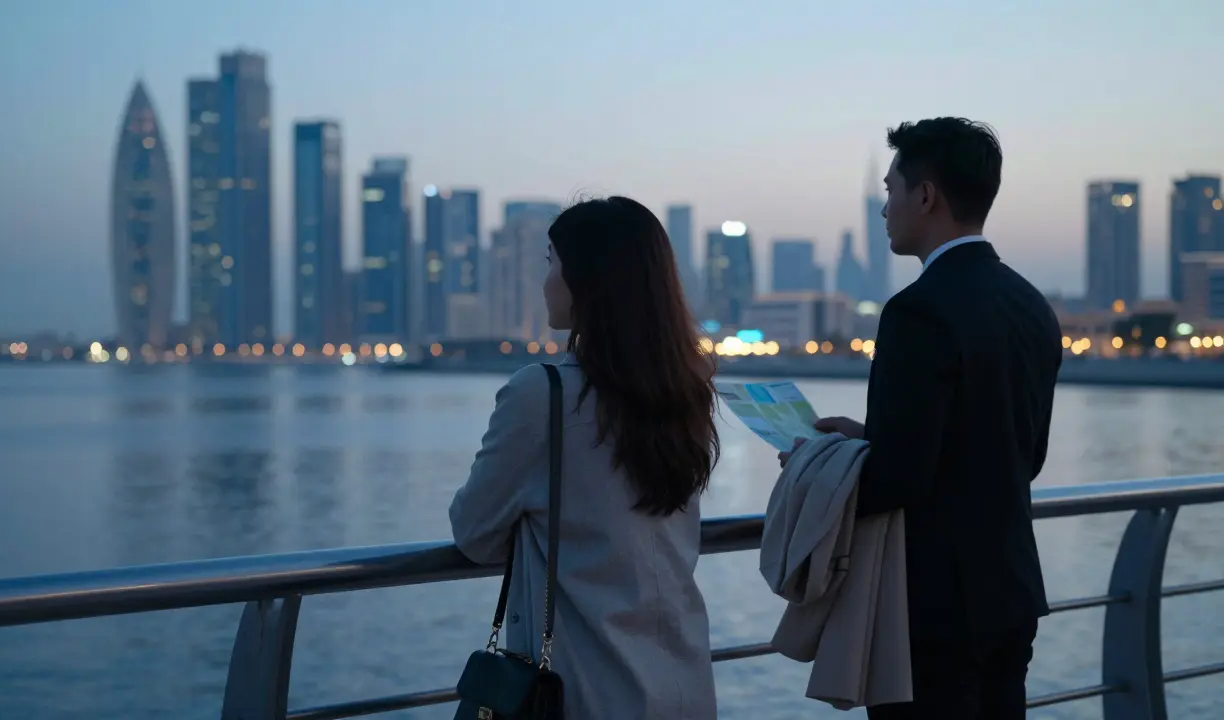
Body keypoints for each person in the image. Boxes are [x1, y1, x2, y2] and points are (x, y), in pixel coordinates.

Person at [780, 117, 1062, 719]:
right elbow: (1021, 453)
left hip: (930, 609)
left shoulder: (917, 310)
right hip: (1010, 591)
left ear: (925, 196)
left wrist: (818, 462)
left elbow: (901, 478)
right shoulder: (1029, 303)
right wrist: (872, 438)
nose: (885, 209)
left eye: (890, 190)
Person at [450, 196, 720, 719]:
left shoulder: (542, 395)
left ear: (588, 280)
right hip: (684, 685)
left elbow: (473, 532)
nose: (546, 280)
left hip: (587, 690)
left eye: (552, 262)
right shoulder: (685, 393)